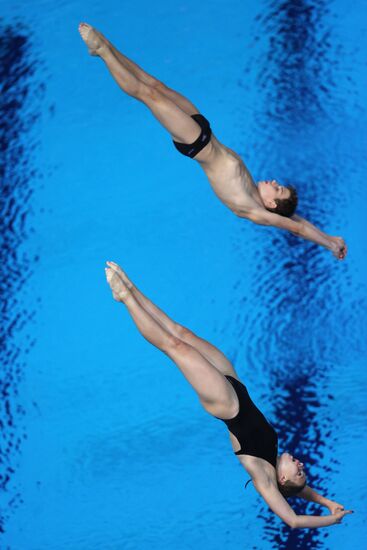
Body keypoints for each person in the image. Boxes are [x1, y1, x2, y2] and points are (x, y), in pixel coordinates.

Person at [104, 261, 352, 528]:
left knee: (174, 346)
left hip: (226, 404)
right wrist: (327, 502)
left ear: (282, 479)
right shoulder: (277, 467)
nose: (301, 464)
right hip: (236, 386)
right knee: (182, 333)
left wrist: (330, 520)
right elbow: (301, 490)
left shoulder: (264, 478)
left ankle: (125, 298)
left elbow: (292, 520)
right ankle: (132, 287)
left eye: (300, 471)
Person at [79, 23, 347, 260]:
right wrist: (331, 237)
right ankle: (110, 48)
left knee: (147, 94)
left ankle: (102, 51)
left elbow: (296, 227)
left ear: (272, 206)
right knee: (157, 85)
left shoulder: (255, 211)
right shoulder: (259, 194)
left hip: (195, 142)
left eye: (277, 190)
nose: (274, 183)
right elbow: (297, 218)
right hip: (205, 130)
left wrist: (328, 246)